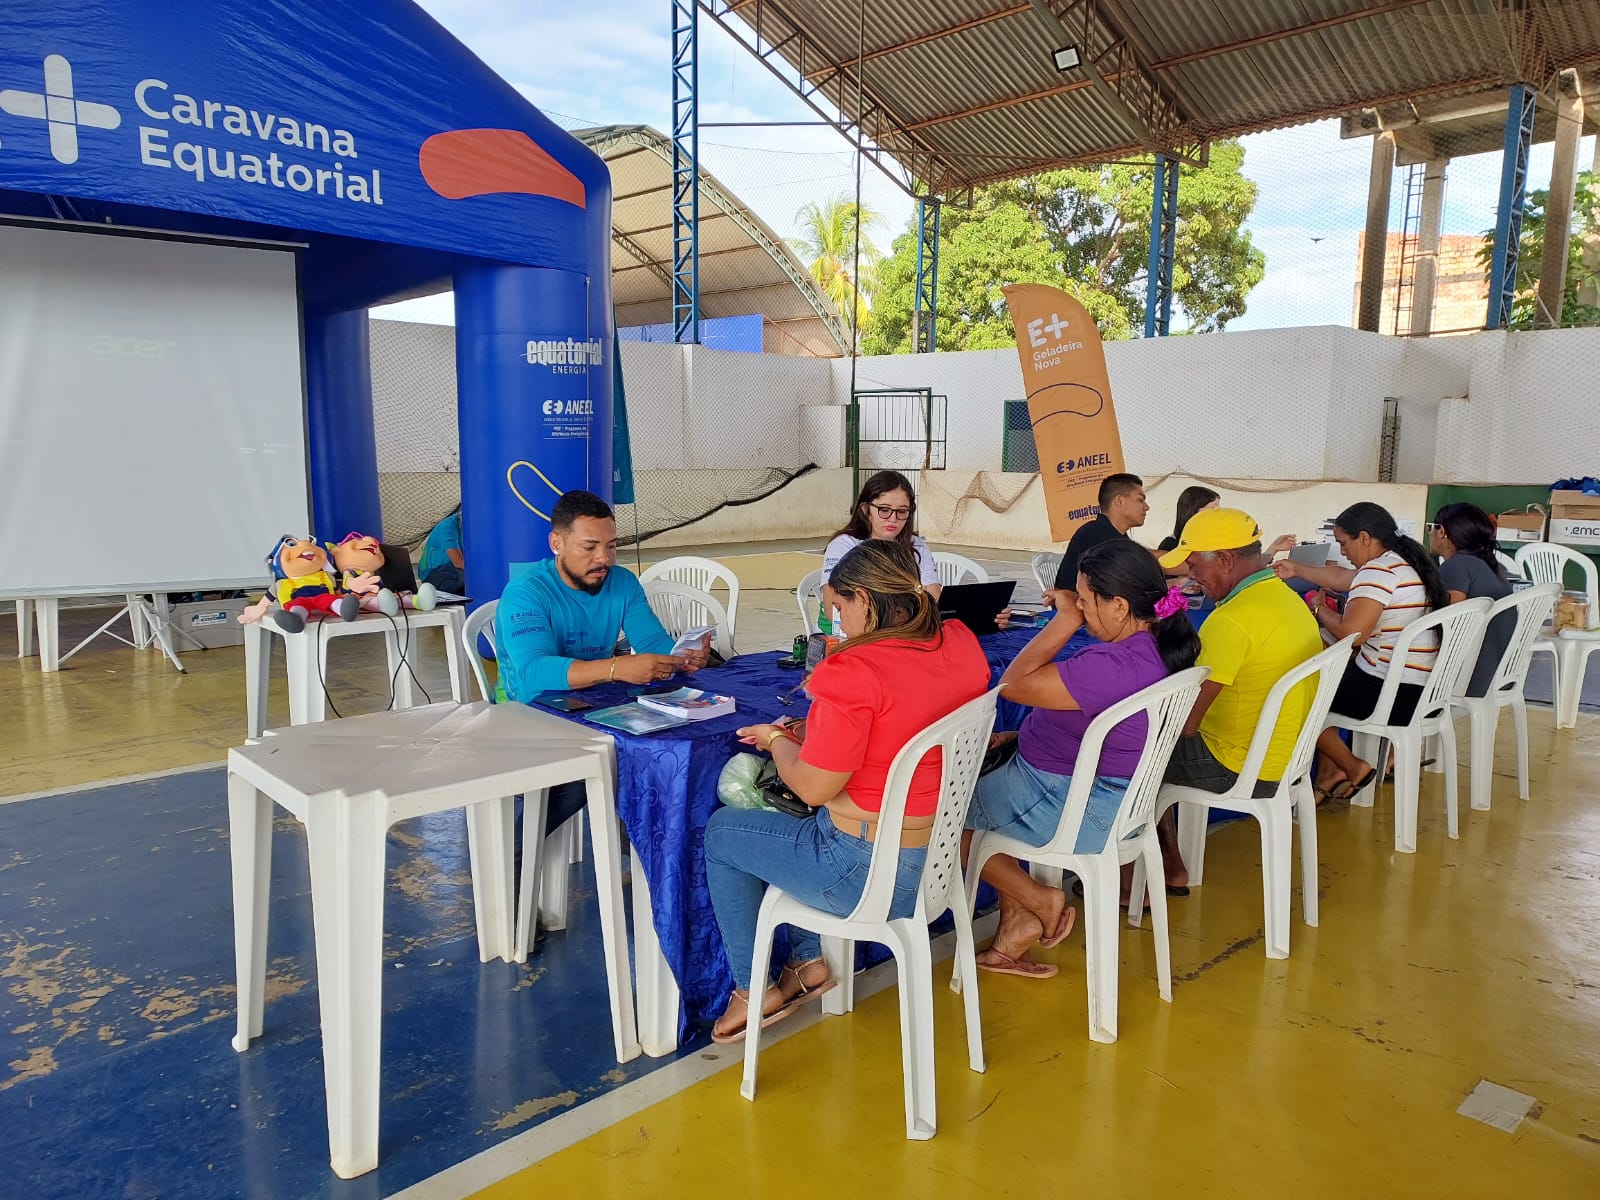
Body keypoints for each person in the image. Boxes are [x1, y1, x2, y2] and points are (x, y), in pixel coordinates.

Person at [704, 539, 990, 1041]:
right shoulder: (961, 641)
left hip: (863, 872)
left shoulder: (854, 669)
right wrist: (815, 732)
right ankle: (808, 963)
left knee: (722, 833)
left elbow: (813, 788)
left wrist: (776, 741)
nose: (839, 623)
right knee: (792, 817)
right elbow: (897, 723)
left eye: (839, 608)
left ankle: (753, 989)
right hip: (938, 864)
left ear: (864, 598)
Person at [962, 538, 1201, 977]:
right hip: (1102, 793)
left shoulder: (1113, 665)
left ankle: (1039, 900)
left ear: (1119, 606)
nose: (1082, 609)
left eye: (1087, 601)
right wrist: (1024, 734)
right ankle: (1016, 927)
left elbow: (1012, 685)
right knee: (988, 784)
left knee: (943, 816)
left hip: (1073, 803)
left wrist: (1065, 619)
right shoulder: (1159, 646)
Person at [498, 490, 712, 838]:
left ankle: (646, 846)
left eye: (611, 546)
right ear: (556, 543)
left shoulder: (622, 583)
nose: (604, 559)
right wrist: (616, 668)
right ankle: (519, 853)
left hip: (596, 707)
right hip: (529, 715)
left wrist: (682, 657)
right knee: (590, 770)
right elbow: (533, 673)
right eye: (589, 547)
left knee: (669, 751)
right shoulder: (526, 591)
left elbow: (653, 644)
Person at [1155, 508, 1323, 887]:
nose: (1191, 575)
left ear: (1226, 560)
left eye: (1194, 565)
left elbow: (1185, 724)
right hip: (1286, 759)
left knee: (1130, 750)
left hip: (1239, 766)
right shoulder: (1285, 598)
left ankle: (1155, 867)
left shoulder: (1230, 620)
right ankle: (1168, 861)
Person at [1274, 502, 1447, 802]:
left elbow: (1352, 635)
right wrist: (1297, 569)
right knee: (1328, 675)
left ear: (1365, 538)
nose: (1342, 552)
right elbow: (1340, 578)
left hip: (1390, 693)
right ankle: (1331, 772)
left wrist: (1318, 608)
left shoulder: (1378, 571)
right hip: (1419, 689)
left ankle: (1351, 765)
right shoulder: (1403, 562)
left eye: (1343, 543)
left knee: (1291, 694)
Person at [1431, 502, 1514, 697]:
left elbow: (1450, 627)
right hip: (1498, 677)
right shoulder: (1493, 566)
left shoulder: (1456, 567)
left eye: (1431, 528)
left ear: (1442, 532)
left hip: (1468, 679)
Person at [822, 470, 941, 598]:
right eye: (884, 510)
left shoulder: (916, 545)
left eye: (902, 511)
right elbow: (832, 602)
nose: (893, 518)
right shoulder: (844, 545)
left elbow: (934, 597)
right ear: (865, 509)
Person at [1047, 472, 1149, 602]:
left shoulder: (1115, 535)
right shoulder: (1096, 535)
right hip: (1079, 609)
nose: (1146, 507)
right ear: (1119, 501)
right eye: (1140, 500)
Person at [1157, 485, 1220, 555]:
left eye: (1218, 510)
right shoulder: (1170, 545)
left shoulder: (1216, 541)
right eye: (1212, 510)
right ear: (1193, 511)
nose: (1218, 515)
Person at [418, 505, 465, 595]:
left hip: (453, 569)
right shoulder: (447, 527)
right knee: (467, 577)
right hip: (432, 575)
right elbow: (459, 562)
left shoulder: (472, 528)